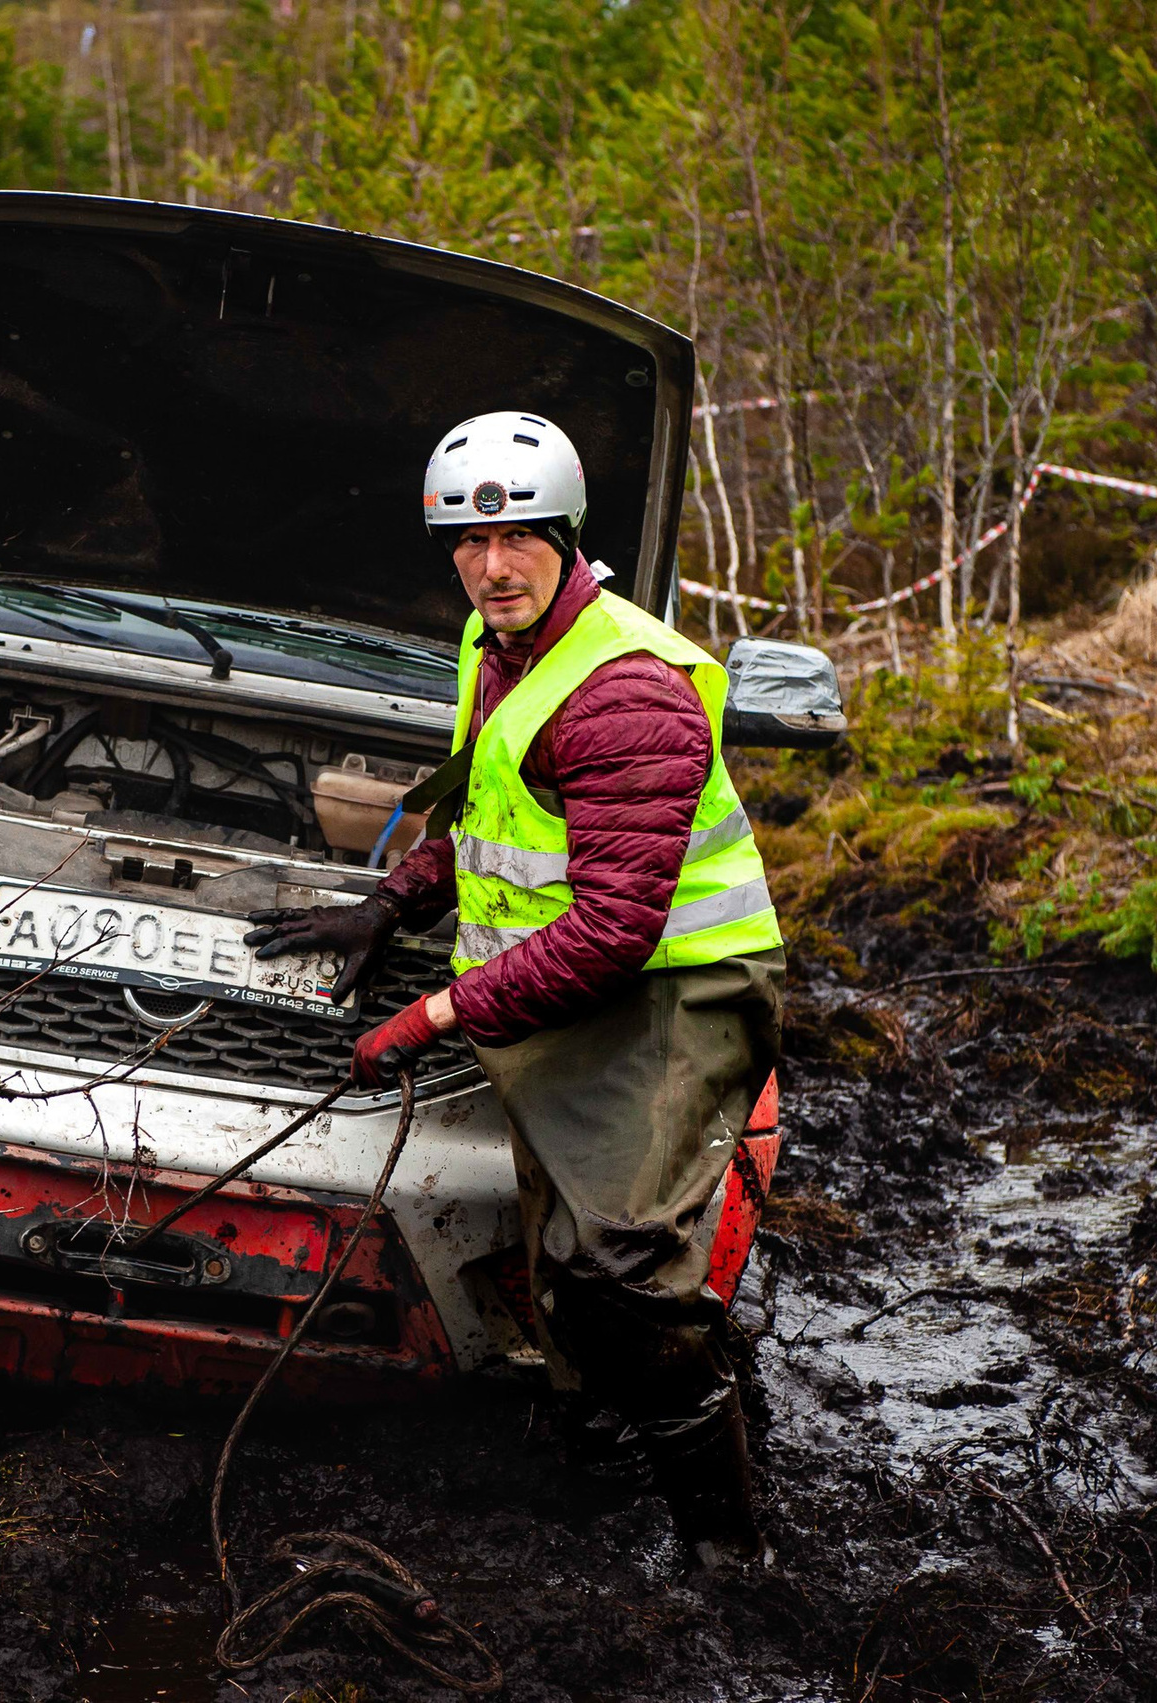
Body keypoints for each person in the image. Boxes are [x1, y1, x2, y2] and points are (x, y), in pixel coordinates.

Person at [245, 410, 785, 1570]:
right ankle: (593, 1447)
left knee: (628, 1271)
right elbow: (491, 808)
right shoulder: (501, 645)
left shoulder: (623, 693)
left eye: (520, 537)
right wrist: (390, 904)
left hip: (674, 993)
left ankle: (731, 1550)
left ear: (567, 535)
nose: (492, 565)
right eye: (466, 541)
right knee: (561, 1252)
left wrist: (430, 1013)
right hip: (577, 982)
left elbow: (612, 931)